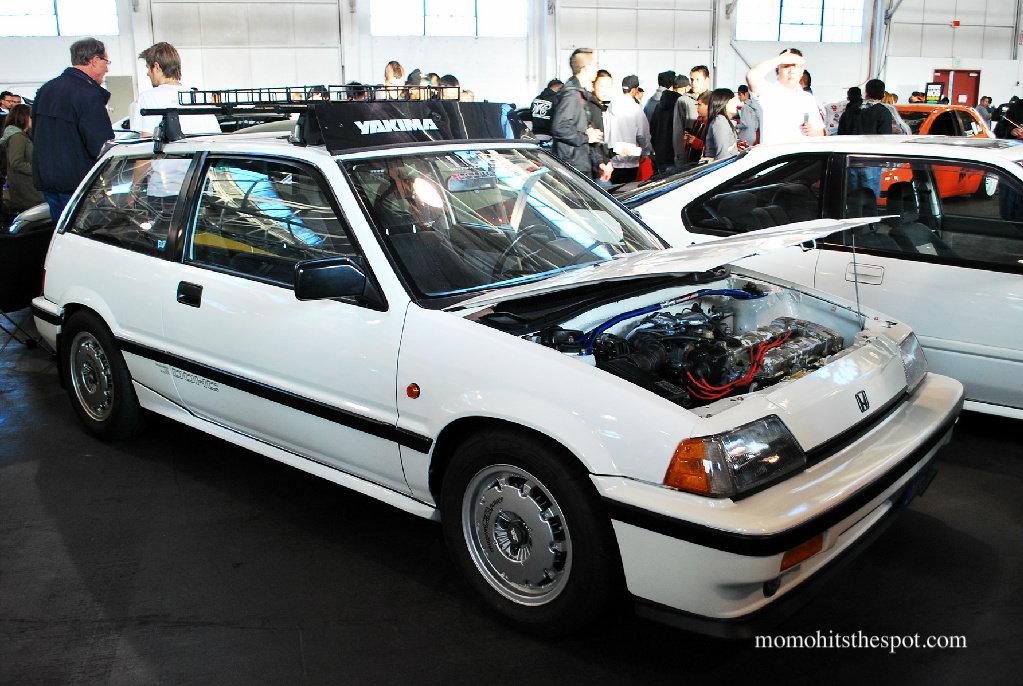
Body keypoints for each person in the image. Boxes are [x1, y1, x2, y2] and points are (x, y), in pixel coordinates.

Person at [32, 37, 115, 222]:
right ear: (94, 60)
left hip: (48, 182)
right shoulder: (88, 94)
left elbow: (35, 135)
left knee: (61, 232)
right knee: (88, 234)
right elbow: (101, 146)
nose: (107, 69)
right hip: (79, 186)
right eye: (106, 62)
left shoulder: (46, 90)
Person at [130, 42, 221, 137]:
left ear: (157, 67)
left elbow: (146, 139)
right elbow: (216, 136)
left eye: (149, 69)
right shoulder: (198, 97)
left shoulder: (148, 97)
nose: (148, 74)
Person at [550, 48, 611, 181]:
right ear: (585, 67)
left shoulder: (579, 93)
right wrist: (586, 137)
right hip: (572, 166)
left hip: (579, 163)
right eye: (595, 65)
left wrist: (599, 162)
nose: (597, 69)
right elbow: (559, 128)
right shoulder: (571, 94)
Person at [745, 48, 824, 144]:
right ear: (777, 70)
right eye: (786, 66)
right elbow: (752, 76)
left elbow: (820, 134)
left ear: (802, 71)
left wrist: (813, 132)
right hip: (776, 153)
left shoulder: (808, 98)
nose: (792, 71)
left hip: (802, 153)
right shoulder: (768, 92)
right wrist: (781, 59)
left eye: (796, 66)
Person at [603, 74, 651, 183]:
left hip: (613, 159)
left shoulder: (610, 108)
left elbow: (605, 132)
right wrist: (645, 152)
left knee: (613, 190)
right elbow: (643, 135)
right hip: (631, 160)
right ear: (634, 90)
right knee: (628, 190)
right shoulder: (636, 109)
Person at [2, 104, 44, 221]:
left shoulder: (23, 136)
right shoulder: (18, 137)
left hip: (26, 187)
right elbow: (16, 162)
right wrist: (37, 170)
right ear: (23, 117)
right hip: (24, 189)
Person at [650, 73, 688, 174]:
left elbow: (652, 129)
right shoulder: (681, 104)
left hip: (660, 156)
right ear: (686, 88)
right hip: (674, 156)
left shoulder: (658, 105)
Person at [673, 65, 710, 167]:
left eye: (698, 79)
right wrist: (680, 158)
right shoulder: (683, 101)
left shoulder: (714, 99)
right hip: (689, 157)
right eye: (692, 79)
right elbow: (678, 131)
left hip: (708, 157)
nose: (694, 83)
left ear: (707, 80)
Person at [701, 88, 738, 162]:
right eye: (733, 100)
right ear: (724, 102)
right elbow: (722, 155)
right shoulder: (720, 121)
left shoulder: (723, 120)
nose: (736, 104)